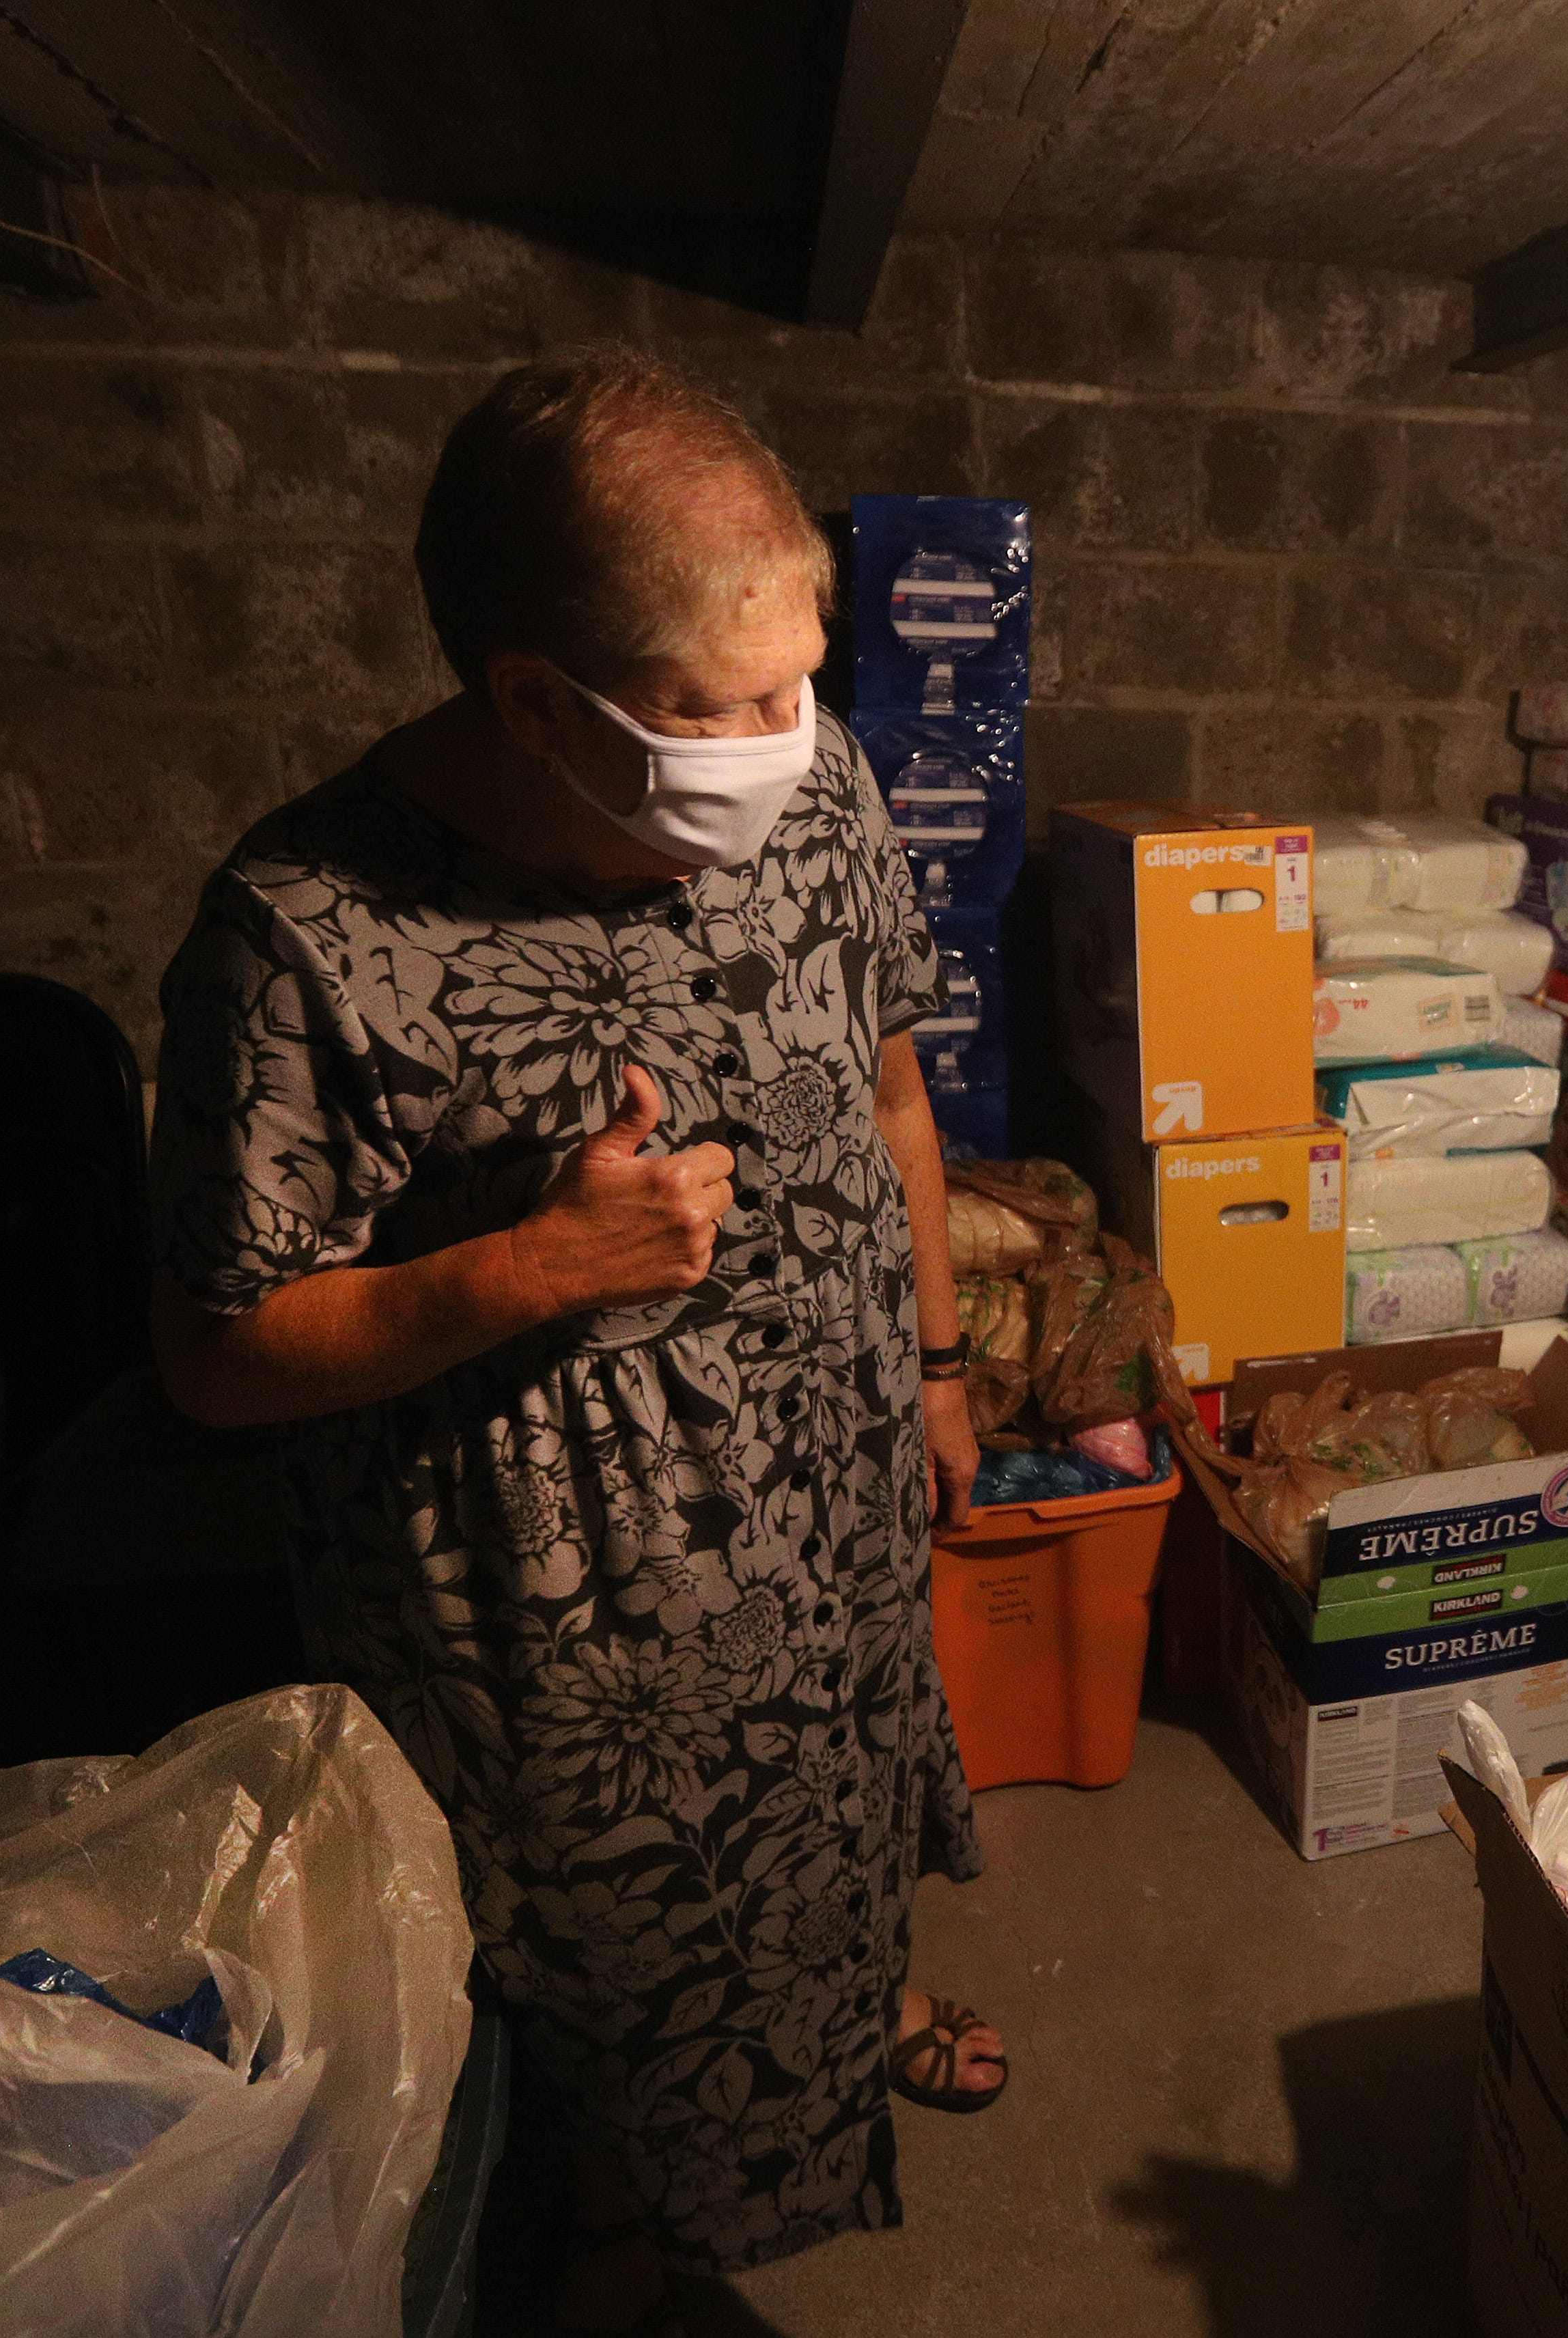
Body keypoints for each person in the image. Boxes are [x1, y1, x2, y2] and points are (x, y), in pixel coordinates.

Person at [145, 349, 1002, 2335]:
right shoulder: (305, 938)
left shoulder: (817, 786)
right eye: (728, 709)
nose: (791, 741)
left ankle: (845, 1998)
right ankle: (617, 2206)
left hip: (841, 1472)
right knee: (615, 1947)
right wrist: (536, 1268)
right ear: (536, 701)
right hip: (573, 1616)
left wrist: (941, 1370)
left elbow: (885, 1086)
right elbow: (217, 1348)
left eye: (804, 680)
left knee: (846, 1789)